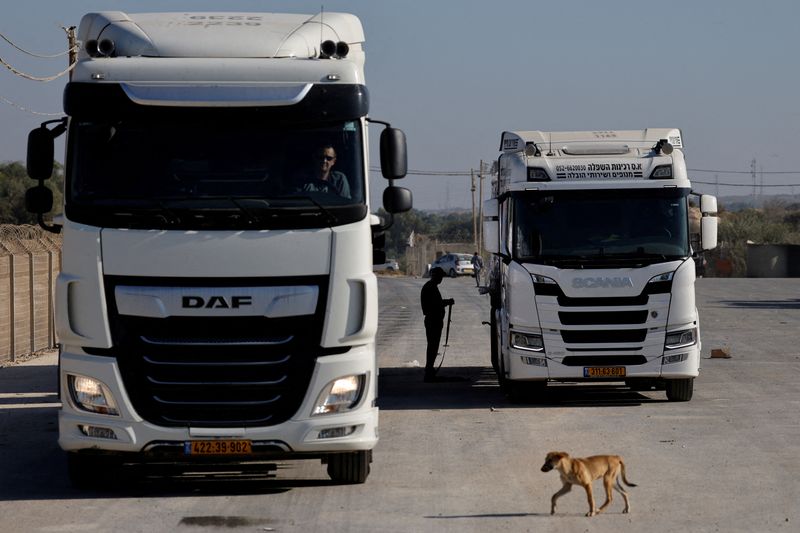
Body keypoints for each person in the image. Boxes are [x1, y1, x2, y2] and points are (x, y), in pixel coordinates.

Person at [420, 267, 454, 382]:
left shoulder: (431, 287)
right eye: (440, 276)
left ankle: (429, 370)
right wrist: (447, 302)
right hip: (433, 321)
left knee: (433, 346)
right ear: (436, 276)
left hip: (434, 320)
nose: (441, 279)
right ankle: (429, 371)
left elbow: (437, 303)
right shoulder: (430, 288)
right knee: (432, 347)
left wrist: (446, 302)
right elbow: (435, 305)